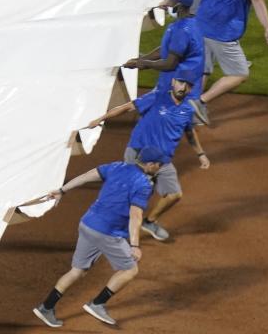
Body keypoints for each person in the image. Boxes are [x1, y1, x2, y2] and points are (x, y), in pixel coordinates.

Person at [32, 146, 165, 328]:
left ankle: (46, 307)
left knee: (77, 271)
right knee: (130, 270)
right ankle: (97, 304)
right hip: (107, 233)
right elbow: (136, 216)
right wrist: (135, 245)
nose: (161, 167)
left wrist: (62, 190)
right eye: (160, 164)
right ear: (150, 164)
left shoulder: (117, 166)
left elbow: (87, 175)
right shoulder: (142, 184)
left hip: (87, 224)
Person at [87, 68, 209, 242]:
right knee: (127, 194)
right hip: (138, 154)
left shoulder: (187, 110)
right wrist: (102, 118)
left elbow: (189, 133)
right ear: (173, 81)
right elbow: (128, 107)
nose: (183, 87)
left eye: (188, 85)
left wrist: (201, 154)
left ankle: (149, 222)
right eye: (181, 82)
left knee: (174, 194)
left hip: (163, 161)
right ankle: (110, 229)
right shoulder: (157, 97)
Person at [171, 0, 268, 122]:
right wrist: (267, 27)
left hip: (200, 27)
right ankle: (199, 101)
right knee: (239, 74)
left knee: (202, 69)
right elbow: (257, 0)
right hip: (223, 36)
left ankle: (186, 115)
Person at [122, 0, 208, 124]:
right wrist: (142, 59)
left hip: (178, 86)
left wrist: (144, 64)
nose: (168, 3)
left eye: (171, 0)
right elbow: (168, 48)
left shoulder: (181, 30)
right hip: (181, 81)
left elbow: (169, 64)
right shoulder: (191, 22)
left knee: (154, 120)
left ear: (178, 5)